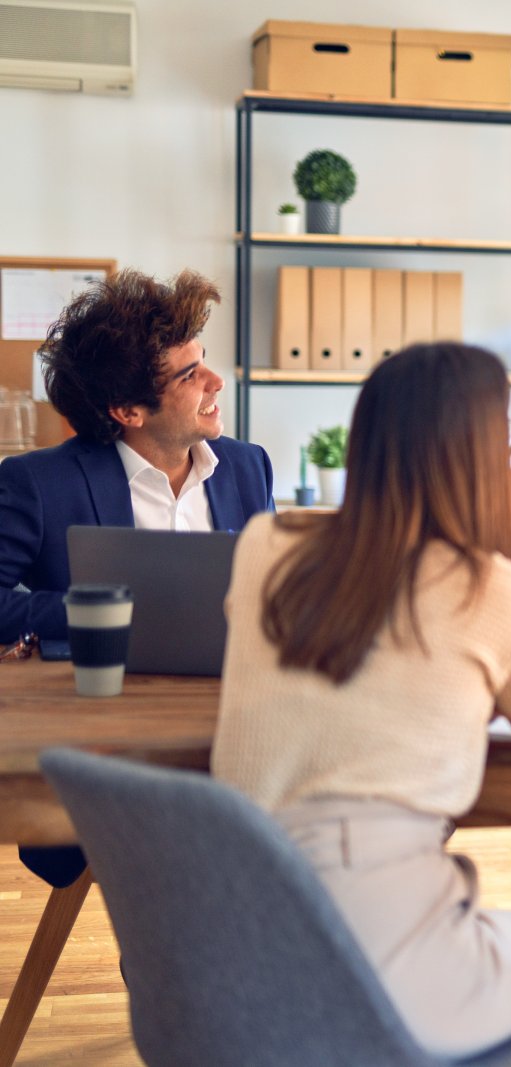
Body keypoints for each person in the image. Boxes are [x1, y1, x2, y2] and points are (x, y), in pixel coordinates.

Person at [211, 343, 511, 1065]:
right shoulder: (490, 586)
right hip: (380, 953)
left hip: (233, 943)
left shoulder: (267, 543)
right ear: (482, 458)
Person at [0, 268, 273, 889]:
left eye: (204, 362)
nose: (214, 382)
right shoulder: (40, 484)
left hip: (235, 726)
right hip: (113, 742)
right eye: (188, 375)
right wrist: (88, 611)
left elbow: (271, 592)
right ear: (127, 410)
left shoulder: (247, 467)